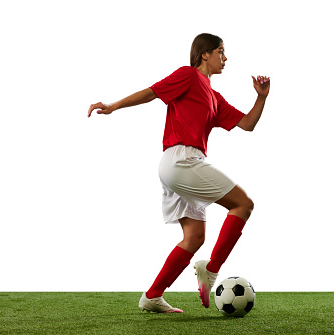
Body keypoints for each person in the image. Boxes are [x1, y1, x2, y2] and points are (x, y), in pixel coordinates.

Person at [87, 33, 270, 313]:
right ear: (204, 54)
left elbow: (247, 124)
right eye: (221, 51)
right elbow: (152, 92)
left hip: (179, 164)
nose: (225, 57)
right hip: (182, 159)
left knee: (194, 236)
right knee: (243, 204)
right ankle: (211, 271)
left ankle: (152, 295)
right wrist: (113, 106)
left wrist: (261, 98)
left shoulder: (214, 97)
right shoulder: (189, 76)